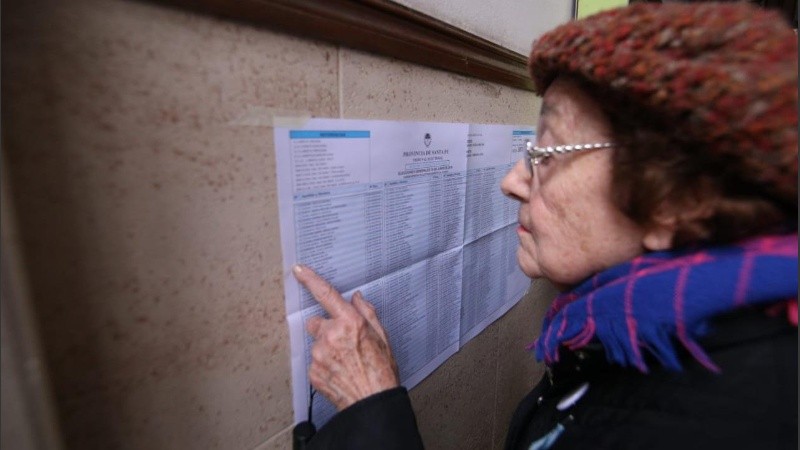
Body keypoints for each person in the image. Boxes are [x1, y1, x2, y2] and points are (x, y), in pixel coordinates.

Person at [292, 2, 798, 449]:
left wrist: (372, 410)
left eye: (546, 151)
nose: (513, 181)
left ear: (677, 199)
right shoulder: (677, 339)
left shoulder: (721, 422)